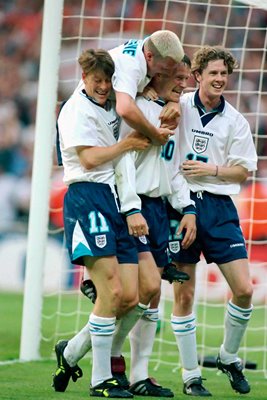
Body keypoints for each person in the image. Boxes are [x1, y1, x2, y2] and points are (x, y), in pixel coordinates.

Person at [52, 48, 151, 398]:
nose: (104, 87)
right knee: (110, 290)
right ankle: (100, 380)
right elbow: (90, 159)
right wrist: (126, 145)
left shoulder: (109, 102)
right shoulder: (75, 110)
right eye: (97, 80)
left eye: (108, 81)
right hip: (87, 195)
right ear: (83, 78)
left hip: (114, 199)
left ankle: (72, 351)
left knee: (130, 296)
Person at [168, 45, 258, 396]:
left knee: (244, 290)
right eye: (213, 73)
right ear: (198, 75)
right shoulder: (180, 106)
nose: (220, 79)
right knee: (184, 294)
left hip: (219, 208)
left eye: (224, 74)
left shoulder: (235, 120)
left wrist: (212, 169)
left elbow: (243, 170)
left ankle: (228, 356)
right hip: (180, 205)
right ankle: (191, 375)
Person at [120, 55, 197, 396]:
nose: (183, 84)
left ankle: (139, 375)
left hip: (157, 209)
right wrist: (130, 208)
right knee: (133, 292)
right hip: (132, 205)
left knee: (151, 297)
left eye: (186, 79)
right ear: (161, 74)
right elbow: (123, 163)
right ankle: (89, 351)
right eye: (178, 77)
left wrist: (188, 207)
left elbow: (173, 166)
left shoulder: (173, 113)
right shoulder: (139, 109)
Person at [75, 30, 184, 145]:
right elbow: (125, 109)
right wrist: (154, 135)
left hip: (104, 114)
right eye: (165, 69)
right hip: (83, 117)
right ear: (149, 56)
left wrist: (174, 102)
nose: (168, 74)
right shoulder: (131, 66)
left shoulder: (151, 46)